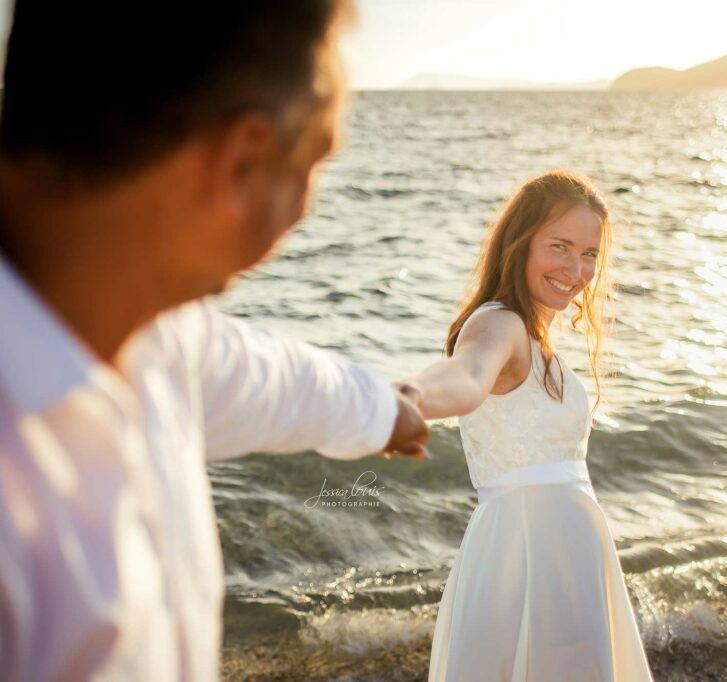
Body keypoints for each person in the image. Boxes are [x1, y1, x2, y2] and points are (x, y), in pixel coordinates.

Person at [0, 1, 427, 680]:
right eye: (316, 160)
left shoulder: (154, 332)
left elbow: (277, 382)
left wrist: (384, 411)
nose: (308, 206)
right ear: (242, 161)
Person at [403, 171, 654, 680]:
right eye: (559, 246)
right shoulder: (499, 323)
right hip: (526, 554)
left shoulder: (537, 339)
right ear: (520, 243)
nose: (575, 269)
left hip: (565, 553)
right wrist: (402, 402)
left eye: (589, 254)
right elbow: (467, 375)